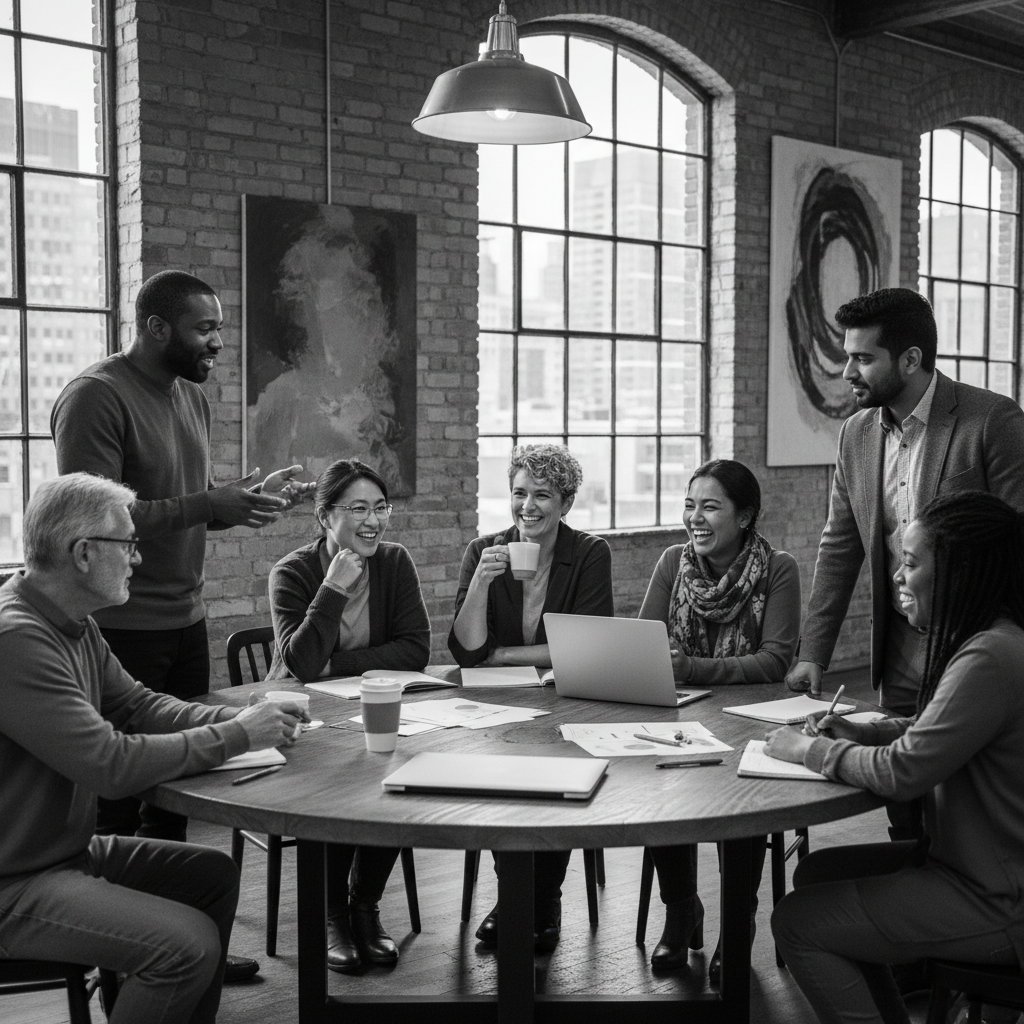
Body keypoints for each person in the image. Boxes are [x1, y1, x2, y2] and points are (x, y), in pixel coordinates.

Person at [0, 473, 307, 1024]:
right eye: (129, 544)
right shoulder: (16, 640)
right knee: (184, 946)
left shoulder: (74, 623)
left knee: (212, 875)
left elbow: (141, 707)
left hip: (61, 856)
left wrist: (241, 717)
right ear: (85, 553)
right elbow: (110, 765)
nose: (137, 560)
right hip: (13, 884)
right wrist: (239, 735)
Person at [767, 491, 1024, 1024]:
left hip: (999, 898)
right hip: (973, 868)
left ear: (957, 571)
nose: (897, 580)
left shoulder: (991, 656)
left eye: (910, 563)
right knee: (815, 874)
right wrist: (861, 731)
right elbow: (936, 732)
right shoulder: (992, 640)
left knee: (797, 921)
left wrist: (812, 748)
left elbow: (905, 772)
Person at [786, 288, 1024, 719]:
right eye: (848, 356)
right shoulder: (855, 434)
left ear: (910, 360)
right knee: (892, 770)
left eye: (863, 359)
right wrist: (814, 653)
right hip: (899, 645)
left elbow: (1019, 541)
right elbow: (839, 545)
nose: (847, 372)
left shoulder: (993, 421)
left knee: (955, 774)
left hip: (977, 640)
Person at [266, 458, 430, 973]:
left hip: (371, 707)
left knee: (401, 770)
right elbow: (302, 666)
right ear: (324, 517)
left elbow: (415, 650)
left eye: (381, 508)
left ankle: (365, 906)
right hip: (303, 720)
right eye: (358, 509)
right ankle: (333, 912)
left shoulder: (395, 562)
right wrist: (333, 586)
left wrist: (340, 664)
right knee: (338, 782)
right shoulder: (292, 573)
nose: (373, 521)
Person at [637, 459, 800, 976]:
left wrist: (693, 667)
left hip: (751, 721)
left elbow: (775, 661)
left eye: (710, 506)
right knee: (653, 781)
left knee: (742, 796)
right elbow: (645, 643)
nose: (695, 518)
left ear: (745, 515)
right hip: (680, 717)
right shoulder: (671, 562)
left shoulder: (779, 569)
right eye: (690, 505)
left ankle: (740, 921)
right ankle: (682, 909)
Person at [449, 443, 613, 952]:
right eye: (519, 493)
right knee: (504, 781)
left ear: (565, 503)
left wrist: (502, 656)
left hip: (565, 702)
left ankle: (540, 901)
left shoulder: (588, 553)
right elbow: (465, 650)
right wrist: (480, 584)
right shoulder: (484, 551)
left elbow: (584, 645)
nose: (528, 506)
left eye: (542, 495)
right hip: (498, 707)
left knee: (557, 779)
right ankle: (520, 899)